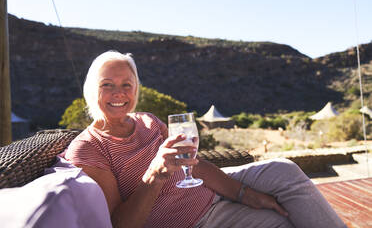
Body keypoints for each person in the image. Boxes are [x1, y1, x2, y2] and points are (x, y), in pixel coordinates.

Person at [64, 50, 346, 228]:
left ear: (136, 89)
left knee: (284, 170)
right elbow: (119, 225)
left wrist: (246, 195)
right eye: (107, 85)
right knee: (278, 222)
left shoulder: (147, 120)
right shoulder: (89, 148)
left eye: (127, 84)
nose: (119, 93)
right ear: (91, 90)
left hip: (209, 196)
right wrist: (154, 175)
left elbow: (194, 166)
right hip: (193, 220)